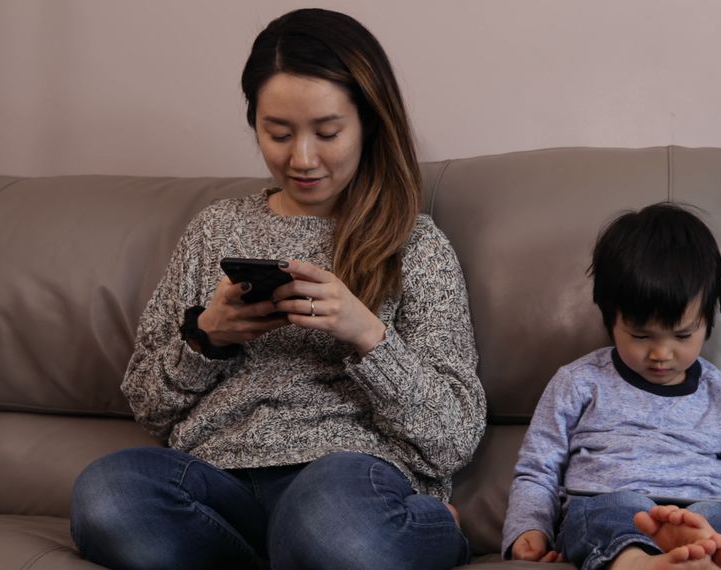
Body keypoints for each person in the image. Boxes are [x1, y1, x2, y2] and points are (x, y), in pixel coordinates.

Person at [70, 8, 486, 570]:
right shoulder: (213, 229)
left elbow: (454, 437)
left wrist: (368, 335)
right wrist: (206, 339)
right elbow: (147, 405)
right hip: (219, 483)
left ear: (368, 122)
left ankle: (423, 532)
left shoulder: (414, 245)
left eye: (328, 132)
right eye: (278, 133)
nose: (302, 158)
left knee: (329, 523)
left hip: (345, 479)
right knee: (108, 494)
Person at [501, 203, 721, 569]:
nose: (661, 353)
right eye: (640, 335)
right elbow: (537, 470)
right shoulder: (578, 382)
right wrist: (529, 527)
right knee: (607, 510)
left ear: (708, 318)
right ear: (609, 318)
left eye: (683, 334)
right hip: (612, 503)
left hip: (705, 512)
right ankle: (638, 562)